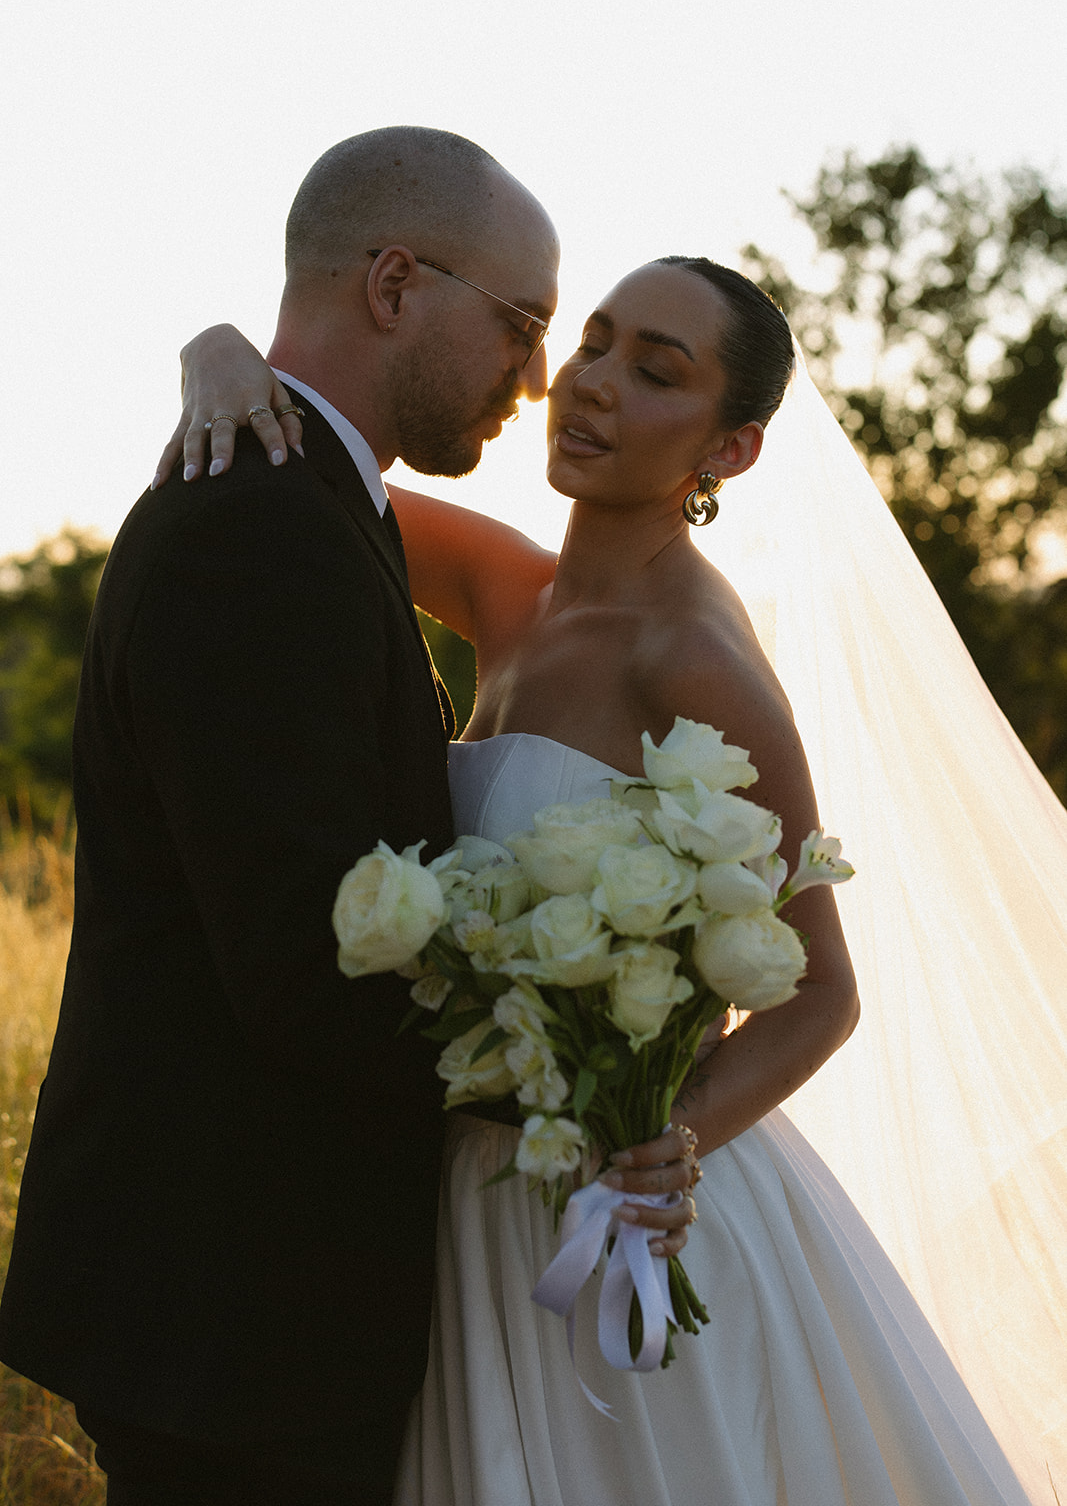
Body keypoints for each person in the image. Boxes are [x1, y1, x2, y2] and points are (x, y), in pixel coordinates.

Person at [155, 255, 1063, 1503]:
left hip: (627, 1216)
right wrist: (214, 354)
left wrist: (668, 1131)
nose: (589, 385)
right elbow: (300, 473)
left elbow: (821, 990)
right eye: (591, 342)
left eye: (653, 372)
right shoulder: (508, 587)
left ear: (727, 451)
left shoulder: (696, 662)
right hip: (462, 1195)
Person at [0, 126, 696, 1506]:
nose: (540, 375)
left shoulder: (324, 500)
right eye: (525, 324)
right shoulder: (258, 524)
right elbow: (306, 970)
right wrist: (587, 1091)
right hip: (236, 1309)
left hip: (266, 1299)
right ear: (392, 284)